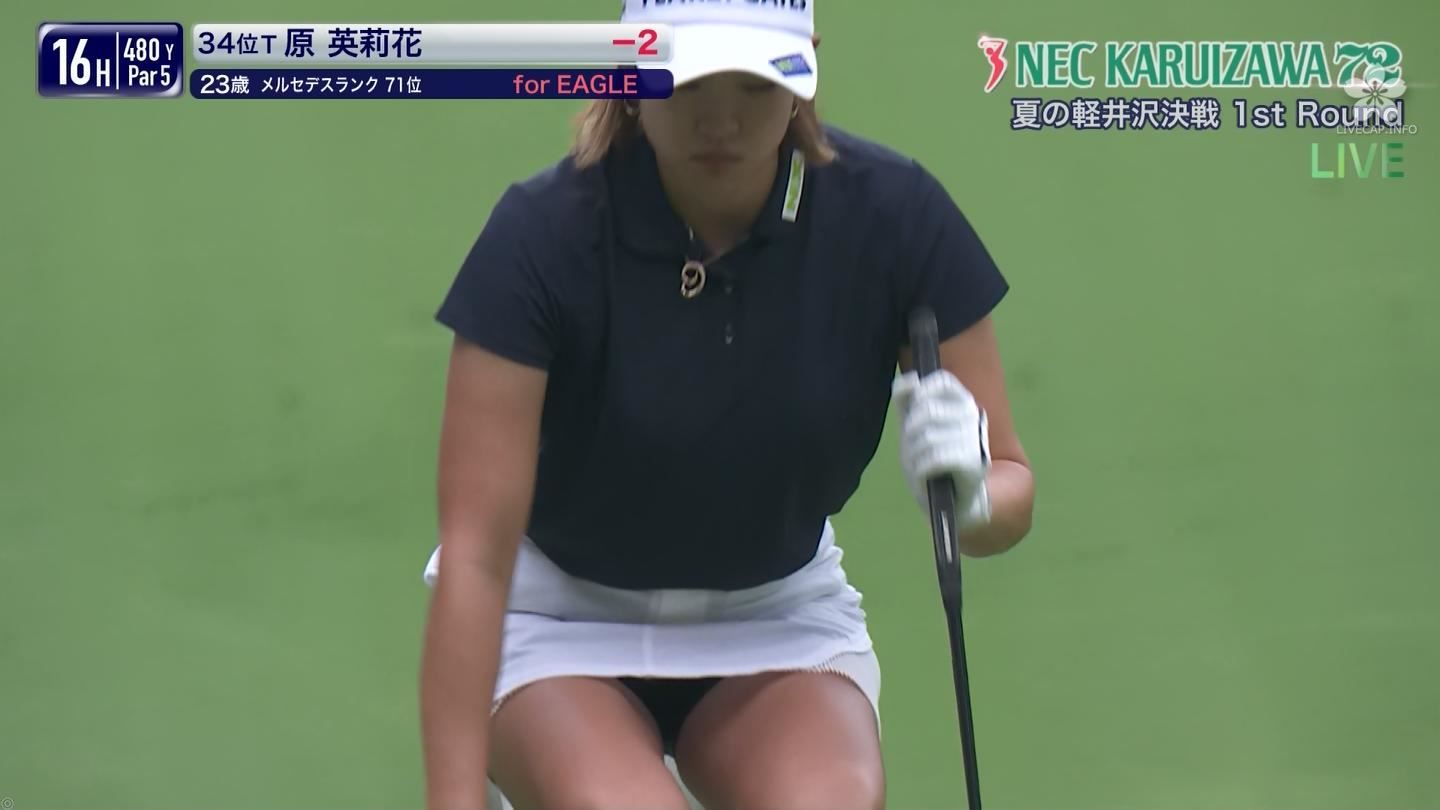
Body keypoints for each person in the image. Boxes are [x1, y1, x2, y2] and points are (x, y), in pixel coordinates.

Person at [418, 1, 1036, 808]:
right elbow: (474, 556)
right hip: (556, 620)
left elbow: (1010, 492)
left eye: (753, 84)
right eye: (686, 83)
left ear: (804, 70)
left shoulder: (894, 218)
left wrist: (975, 493)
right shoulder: (542, 236)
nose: (720, 120)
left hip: (776, 616)